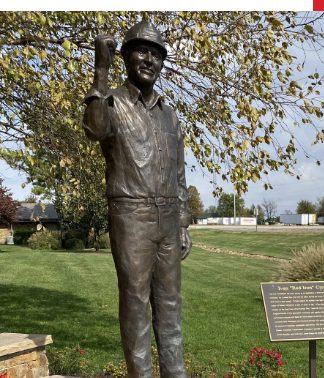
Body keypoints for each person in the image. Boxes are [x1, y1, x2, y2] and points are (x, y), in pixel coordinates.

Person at [82, 20, 191, 378]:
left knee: (171, 306)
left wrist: (184, 224)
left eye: (157, 54)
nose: (149, 60)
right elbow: (94, 129)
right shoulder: (111, 102)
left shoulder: (170, 115)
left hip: (168, 220)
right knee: (136, 305)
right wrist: (100, 70)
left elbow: (179, 174)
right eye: (141, 51)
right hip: (131, 215)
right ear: (126, 56)